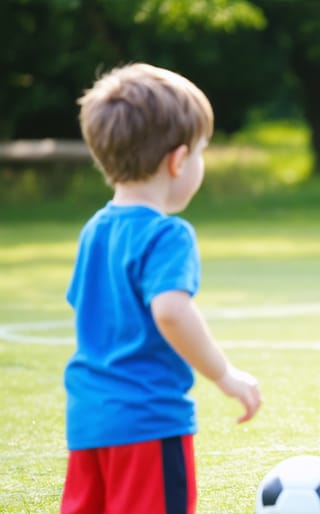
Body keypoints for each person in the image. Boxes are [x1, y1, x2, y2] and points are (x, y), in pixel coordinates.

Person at [62, 63, 262, 514]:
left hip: (89, 419)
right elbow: (170, 311)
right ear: (177, 160)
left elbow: (86, 306)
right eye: (201, 152)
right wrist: (225, 376)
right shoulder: (168, 235)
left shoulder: (94, 230)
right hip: (148, 422)